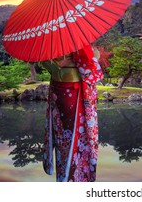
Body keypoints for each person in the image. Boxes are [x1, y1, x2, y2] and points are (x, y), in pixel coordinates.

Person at [40, 44, 103, 182]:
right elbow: (91, 69)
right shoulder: (78, 43)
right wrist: (93, 53)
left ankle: (63, 176)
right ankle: (74, 178)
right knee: (76, 138)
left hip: (58, 91)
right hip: (74, 93)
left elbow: (45, 63)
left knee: (62, 138)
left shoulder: (49, 44)